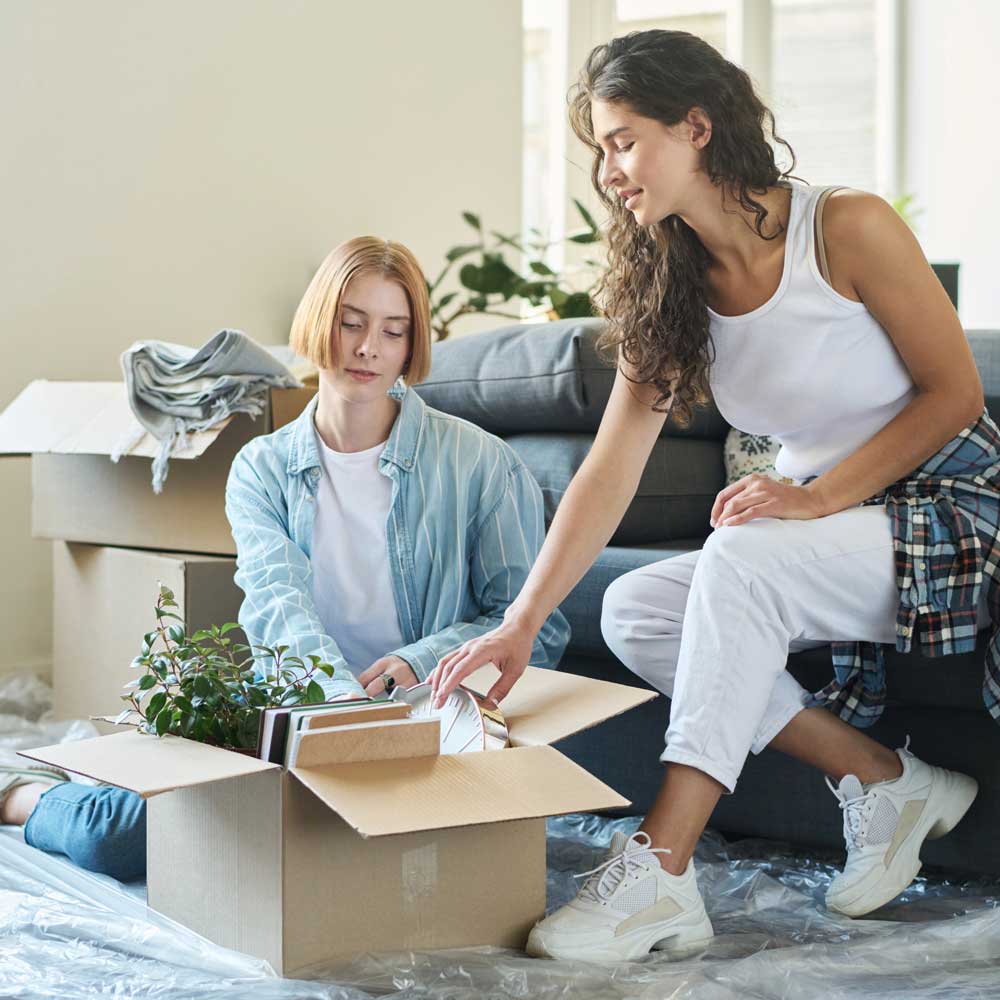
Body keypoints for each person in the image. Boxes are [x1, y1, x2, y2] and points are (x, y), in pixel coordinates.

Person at [429, 30, 999, 963]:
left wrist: (816, 500)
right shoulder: (672, 285)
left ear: (696, 125)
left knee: (742, 556)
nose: (609, 171)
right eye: (599, 152)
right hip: (834, 527)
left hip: (951, 511)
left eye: (622, 141)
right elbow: (608, 471)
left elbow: (955, 396)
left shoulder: (843, 227)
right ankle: (886, 780)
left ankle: (660, 866)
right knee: (638, 606)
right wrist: (520, 624)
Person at [0, 237, 569, 879]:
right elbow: (278, 606)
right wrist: (338, 714)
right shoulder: (262, 467)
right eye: (351, 323)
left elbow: (534, 628)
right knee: (119, 840)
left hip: (431, 726)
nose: (367, 348)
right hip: (302, 712)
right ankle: (24, 793)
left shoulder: (482, 463)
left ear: (412, 344)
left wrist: (416, 666)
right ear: (319, 322)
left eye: (393, 330)